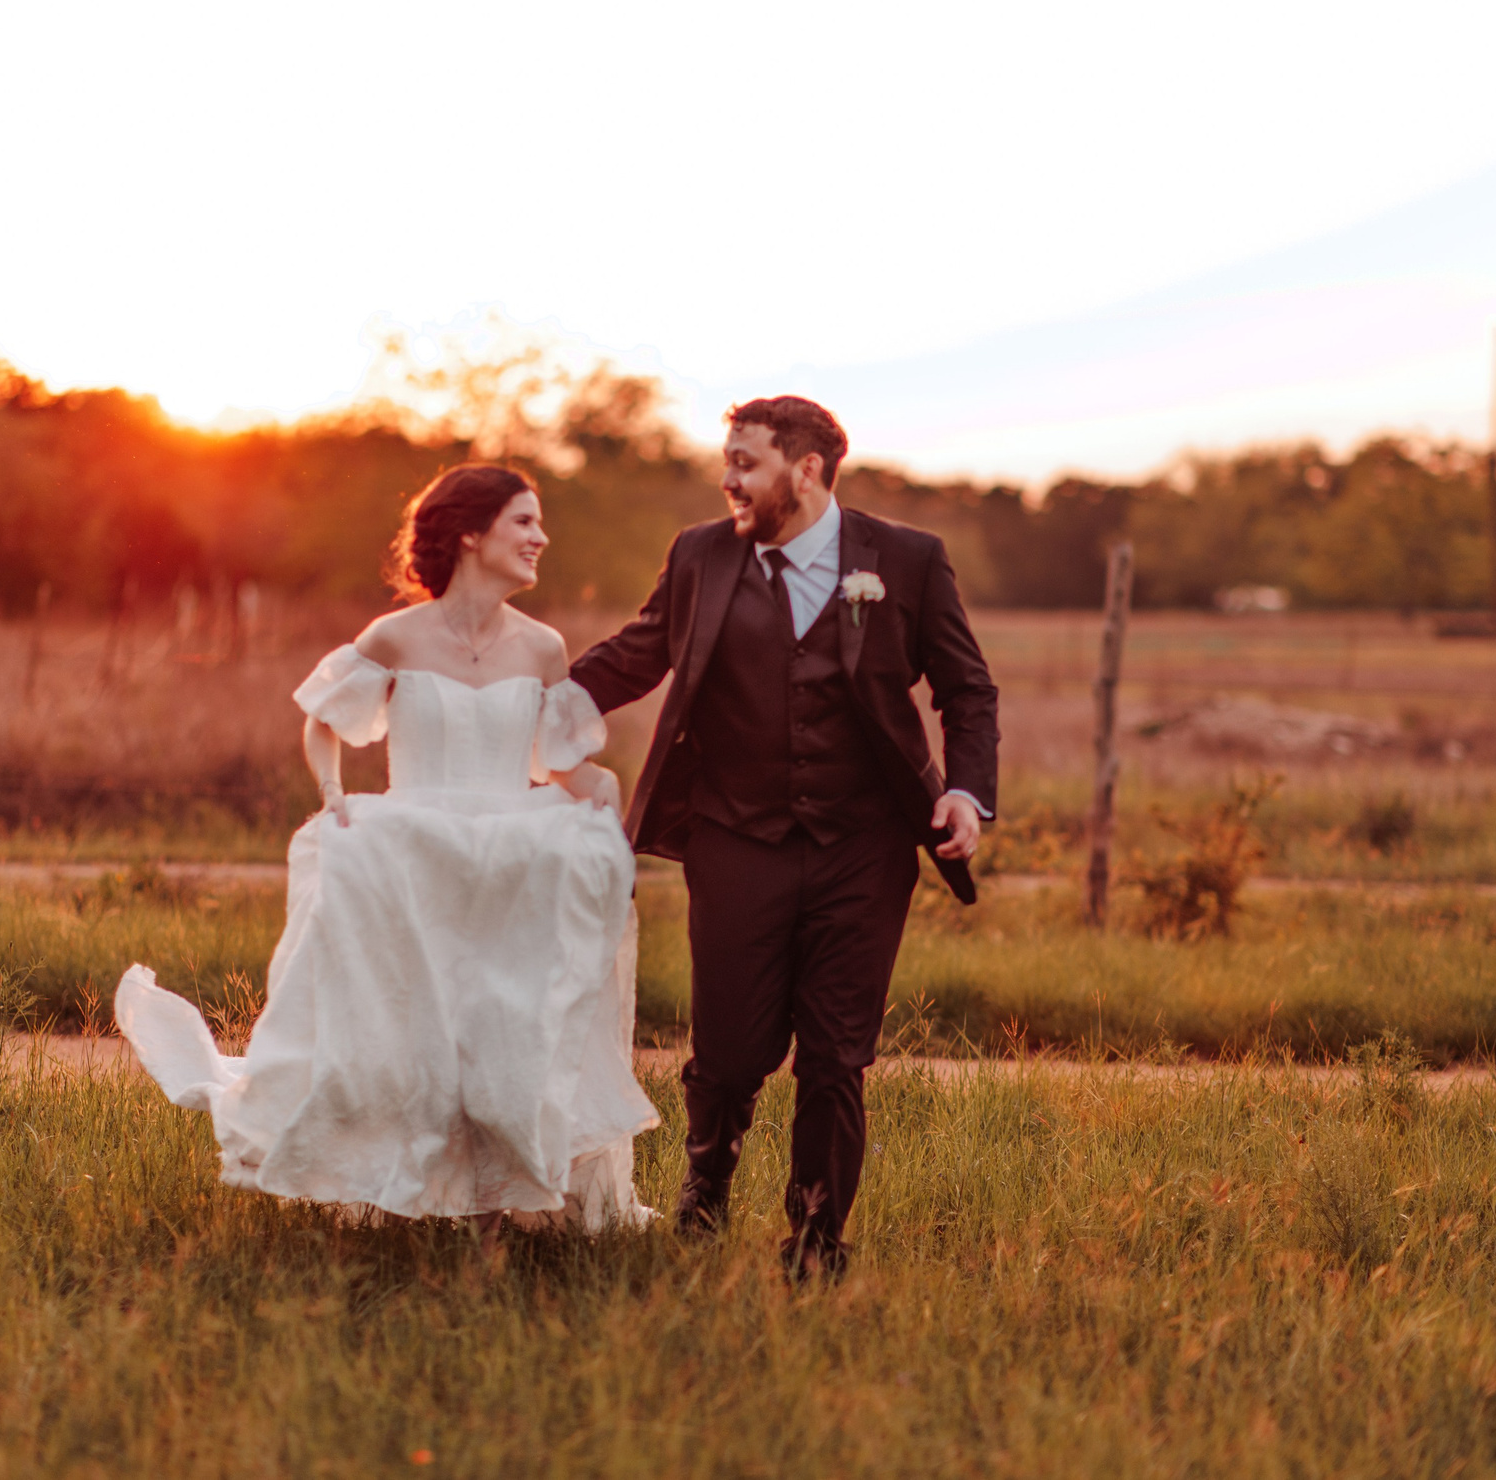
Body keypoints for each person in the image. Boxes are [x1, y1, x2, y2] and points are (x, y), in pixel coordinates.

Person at [115, 465, 657, 1229]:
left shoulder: (542, 647)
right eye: (524, 522)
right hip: (414, 848)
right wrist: (334, 793)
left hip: (510, 854)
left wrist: (600, 793)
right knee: (413, 1026)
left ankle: (496, 1207)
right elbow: (325, 717)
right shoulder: (396, 635)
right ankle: (409, 1188)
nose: (541, 538)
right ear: (472, 533)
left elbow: (557, 760)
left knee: (501, 1027)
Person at [571, 395, 999, 1279]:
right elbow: (636, 653)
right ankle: (706, 1186)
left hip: (865, 846)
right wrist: (523, 704)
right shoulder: (701, 554)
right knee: (729, 1053)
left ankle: (816, 1242)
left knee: (838, 1055)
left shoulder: (906, 562)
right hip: (736, 838)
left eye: (746, 461)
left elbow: (967, 688)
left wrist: (965, 791)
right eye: (727, 460)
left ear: (806, 470)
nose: (728, 478)